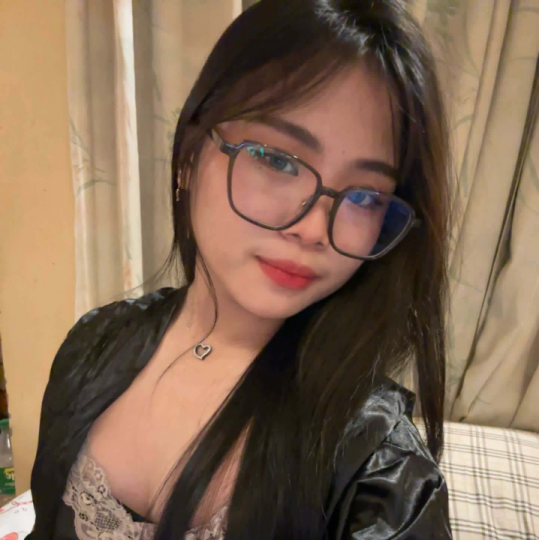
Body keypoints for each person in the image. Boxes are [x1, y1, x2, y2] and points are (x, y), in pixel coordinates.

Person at [27, 1, 453, 538]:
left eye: (365, 196)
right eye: (277, 160)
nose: (313, 229)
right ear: (189, 156)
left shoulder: (380, 472)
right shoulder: (93, 347)